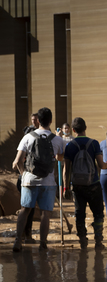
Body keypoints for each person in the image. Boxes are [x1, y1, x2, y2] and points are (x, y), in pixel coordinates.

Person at [11, 107, 64, 252]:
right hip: (48, 182)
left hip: (29, 180)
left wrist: (23, 175)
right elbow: (60, 159)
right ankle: (43, 243)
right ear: (51, 121)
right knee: (45, 213)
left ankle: (18, 241)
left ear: (38, 121)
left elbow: (16, 162)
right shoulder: (57, 140)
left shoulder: (28, 137)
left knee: (25, 210)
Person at [64, 117, 107, 249]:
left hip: (77, 186)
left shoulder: (69, 146)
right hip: (94, 184)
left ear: (73, 130)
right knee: (98, 214)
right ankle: (98, 241)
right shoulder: (94, 143)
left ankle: (83, 241)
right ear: (86, 128)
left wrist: (66, 187)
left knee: (80, 214)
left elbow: (66, 170)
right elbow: (101, 165)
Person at [16, 112, 40, 244]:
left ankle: (24, 235)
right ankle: (26, 235)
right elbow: (17, 161)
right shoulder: (29, 139)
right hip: (27, 178)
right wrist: (23, 174)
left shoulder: (28, 140)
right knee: (28, 209)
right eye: (32, 120)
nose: (33, 122)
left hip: (25, 177)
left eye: (35, 120)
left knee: (27, 208)